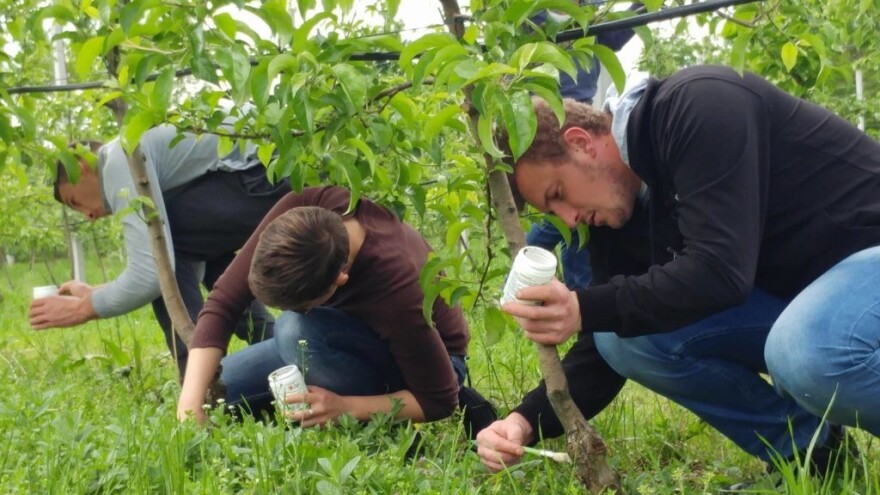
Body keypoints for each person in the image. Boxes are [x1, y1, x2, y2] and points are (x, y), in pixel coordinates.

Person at [477, 65, 880, 475]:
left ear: (580, 143)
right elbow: (603, 343)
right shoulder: (617, 214)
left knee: (804, 351)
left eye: (558, 194)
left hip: (868, 258)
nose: (570, 218)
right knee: (618, 338)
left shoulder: (696, 106)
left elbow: (719, 269)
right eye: (553, 213)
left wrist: (581, 307)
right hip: (807, 299)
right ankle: (817, 458)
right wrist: (521, 422)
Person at [176, 185, 495, 433]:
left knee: (292, 329)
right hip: (330, 337)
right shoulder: (302, 210)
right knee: (222, 391)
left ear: (340, 278)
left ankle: (379, 425)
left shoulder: (397, 284)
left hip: (430, 364)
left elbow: (439, 399)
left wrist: (346, 408)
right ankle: (321, 376)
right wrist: (190, 404)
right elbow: (224, 301)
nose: (300, 310)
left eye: (304, 306)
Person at [29, 125, 289, 375]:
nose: (87, 215)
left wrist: (83, 308)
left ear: (81, 166)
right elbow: (187, 264)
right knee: (174, 240)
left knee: (160, 243)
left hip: (264, 171)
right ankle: (275, 350)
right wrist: (94, 293)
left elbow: (152, 274)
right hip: (275, 167)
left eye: (75, 201)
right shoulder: (139, 155)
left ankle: (202, 384)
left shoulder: (119, 160)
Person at [526, 2, 638, 290]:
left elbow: (613, 36)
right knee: (562, 218)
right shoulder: (533, 12)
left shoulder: (593, 11)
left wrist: (643, 6)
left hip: (580, 117)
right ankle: (523, 268)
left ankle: (579, 294)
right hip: (544, 125)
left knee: (577, 225)